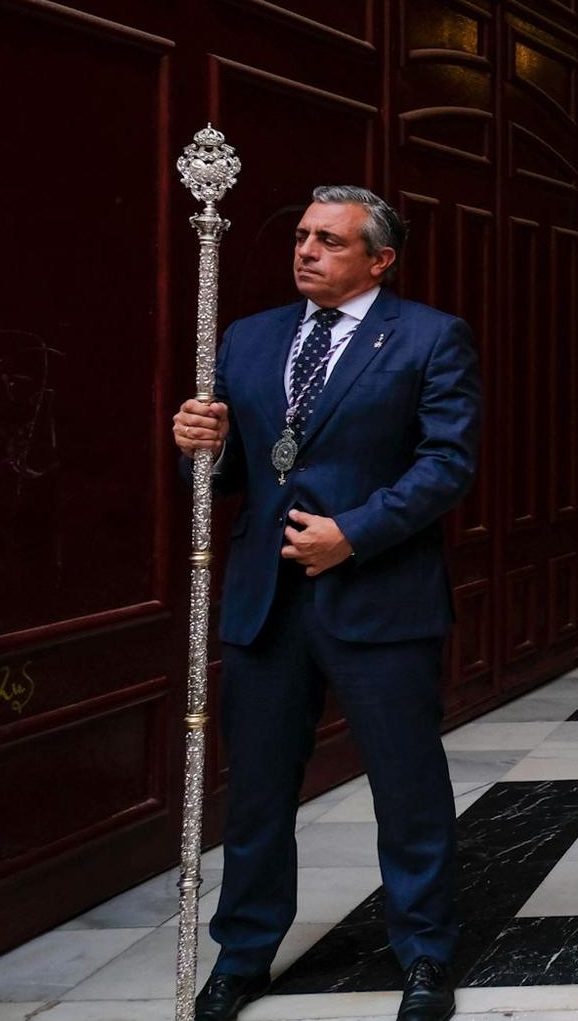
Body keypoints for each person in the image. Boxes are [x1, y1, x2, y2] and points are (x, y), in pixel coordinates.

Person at [170, 187, 479, 1021]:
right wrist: (201, 446)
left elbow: (447, 463)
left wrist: (354, 532)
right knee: (261, 788)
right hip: (265, 600)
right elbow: (228, 477)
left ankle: (424, 954)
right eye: (303, 235)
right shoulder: (248, 337)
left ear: (379, 259)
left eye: (330, 241)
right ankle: (242, 955)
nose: (306, 250)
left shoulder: (427, 336)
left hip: (381, 596)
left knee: (407, 785)